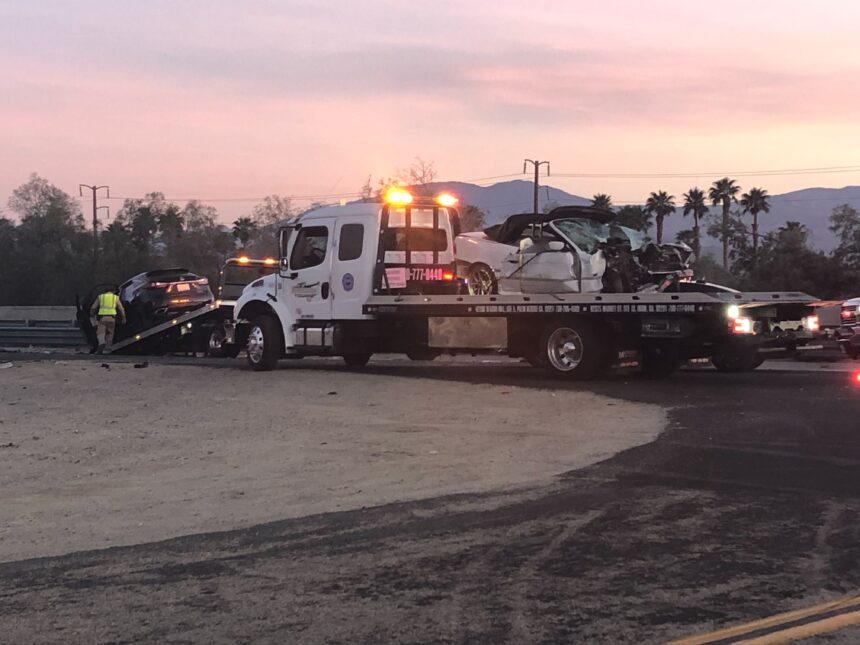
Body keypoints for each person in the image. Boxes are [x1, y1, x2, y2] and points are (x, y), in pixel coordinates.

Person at [89, 286, 126, 354]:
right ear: (113, 291)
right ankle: (107, 349)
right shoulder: (115, 298)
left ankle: (101, 343)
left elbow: (93, 307)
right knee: (110, 333)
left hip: (102, 318)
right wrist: (123, 318)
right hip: (112, 318)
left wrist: (92, 314)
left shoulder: (101, 297)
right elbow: (121, 309)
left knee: (100, 332)